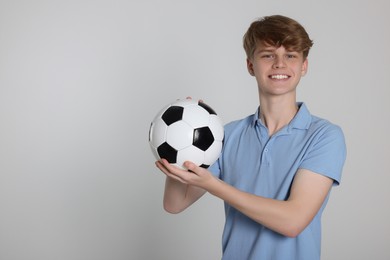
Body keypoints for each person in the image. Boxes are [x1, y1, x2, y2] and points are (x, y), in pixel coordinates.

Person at [155, 15, 346, 260]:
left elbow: (293, 221)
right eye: (268, 54)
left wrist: (216, 187)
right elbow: (174, 204)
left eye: (290, 55)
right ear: (250, 65)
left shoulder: (324, 136)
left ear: (304, 66)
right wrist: (182, 145)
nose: (279, 64)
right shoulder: (227, 135)